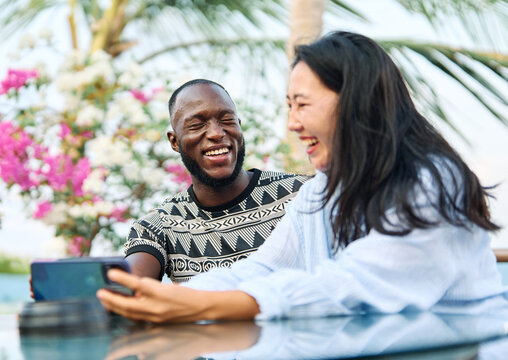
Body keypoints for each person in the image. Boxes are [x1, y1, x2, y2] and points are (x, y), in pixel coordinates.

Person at [97, 31, 506, 323]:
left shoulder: (433, 180)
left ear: (354, 103)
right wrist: (171, 296)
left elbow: (354, 285)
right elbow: (263, 269)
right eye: (288, 106)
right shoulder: (323, 191)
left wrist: (209, 306)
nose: (292, 123)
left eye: (302, 105)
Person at [124, 79, 310, 281]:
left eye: (227, 120)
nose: (216, 133)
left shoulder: (303, 194)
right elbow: (130, 291)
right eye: (196, 125)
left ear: (239, 127)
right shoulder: (159, 227)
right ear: (175, 141)